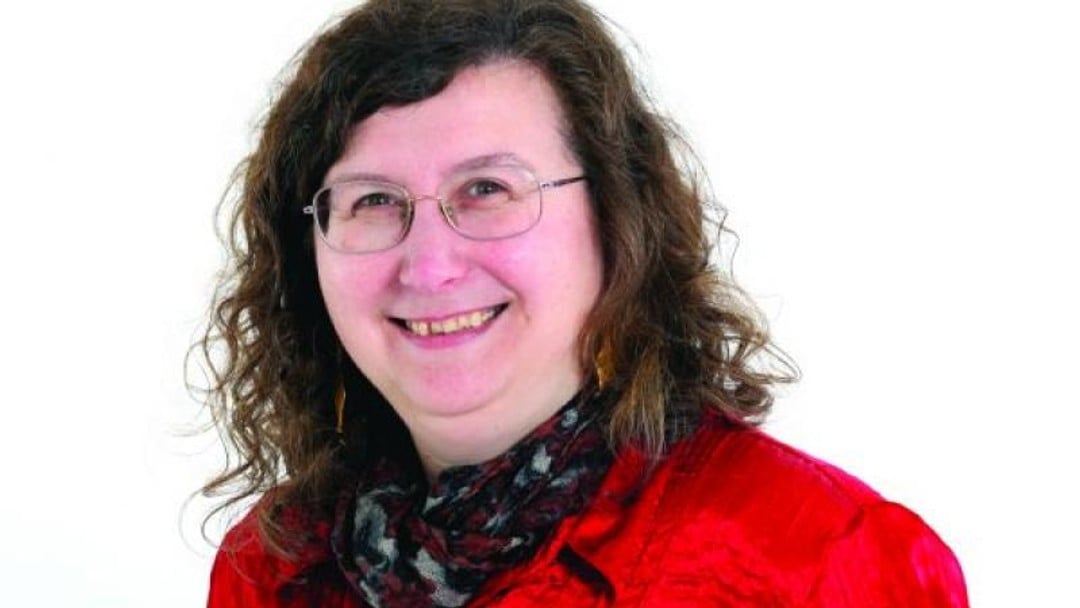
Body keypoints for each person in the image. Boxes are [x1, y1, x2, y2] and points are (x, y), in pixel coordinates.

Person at [198, 0, 969, 606]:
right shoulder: (270, 568)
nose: (429, 266)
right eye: (372, 200)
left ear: (615, 220)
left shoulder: (821, 559)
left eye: (487, 188)